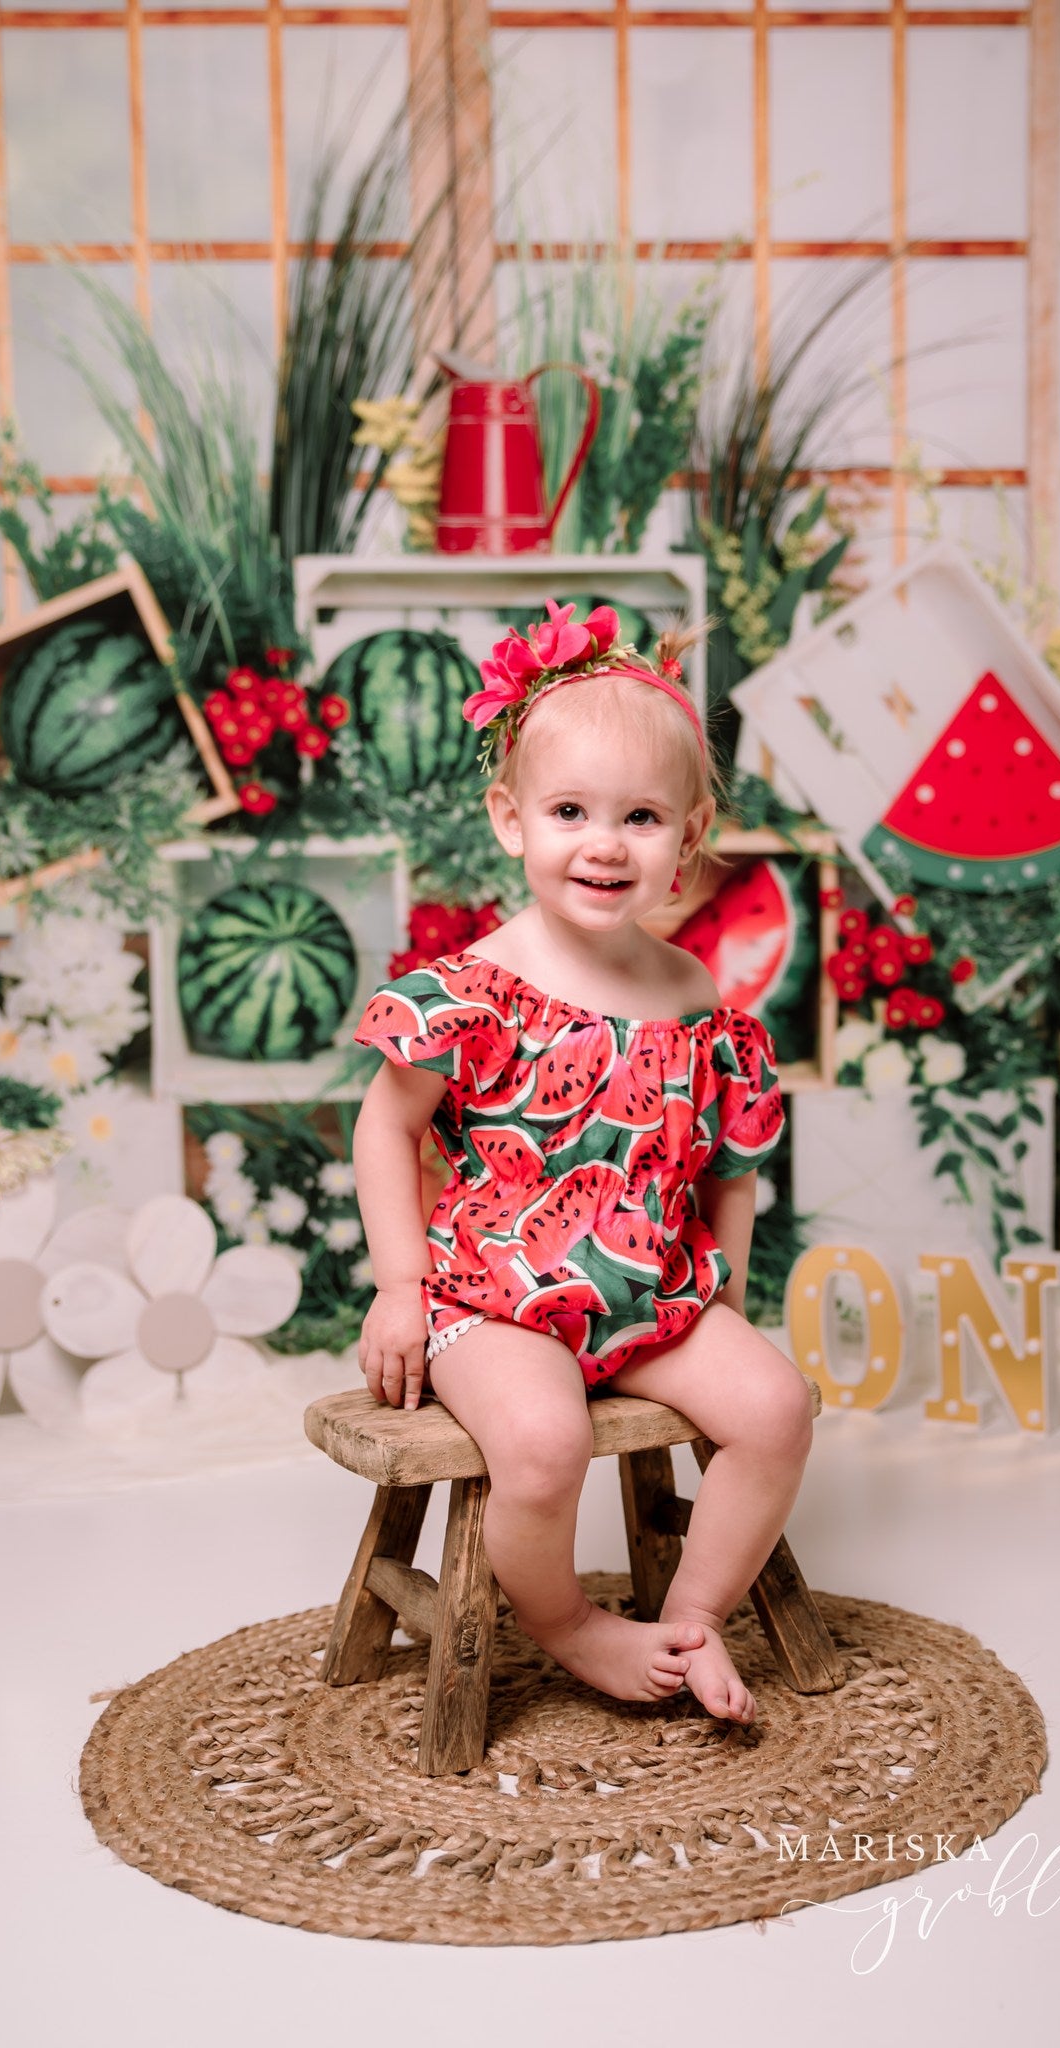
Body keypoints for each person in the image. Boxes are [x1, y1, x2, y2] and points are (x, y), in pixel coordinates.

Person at [349, 599, 815, 1725]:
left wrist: (730, 1290)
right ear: (510, 819)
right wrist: (400, 1286)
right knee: (545, 1442)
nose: (605, 843)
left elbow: (730, 1161)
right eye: (569, 810)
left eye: (641, 816)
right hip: (490, 1293)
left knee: (775, 1405)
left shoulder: (694, 994)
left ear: (688, 834)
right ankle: (567, 1623)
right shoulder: (475, 984)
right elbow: (384, 1127)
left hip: (644, 1287)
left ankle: (693, 1617)